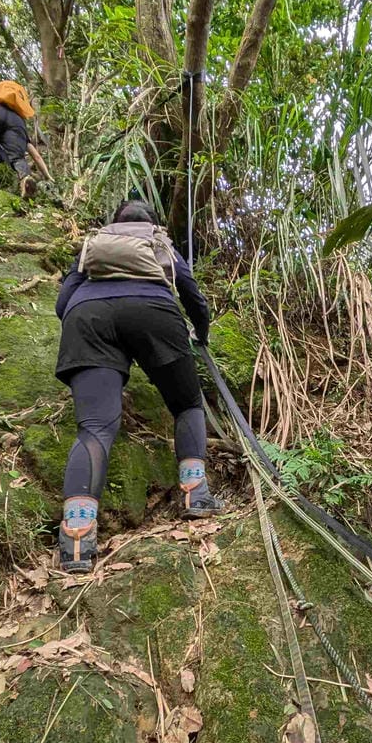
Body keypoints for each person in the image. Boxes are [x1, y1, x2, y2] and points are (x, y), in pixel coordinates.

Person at [55, 197, 222, 572]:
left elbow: (62, 302)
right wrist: (201, 334)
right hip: (153, 310)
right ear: (151, 222)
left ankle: (77, 540)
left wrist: (89, 324)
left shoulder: (93, 244)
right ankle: (197, 495)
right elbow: (192, 295)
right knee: (186, 404)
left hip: (87, 317)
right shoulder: (160, 241)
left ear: (114, 222)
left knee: (95, 428)